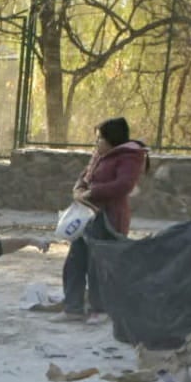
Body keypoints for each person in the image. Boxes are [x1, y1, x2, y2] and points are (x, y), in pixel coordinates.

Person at [64, 117, 150, 321]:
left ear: (113, 139)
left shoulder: (129, 157)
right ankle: (72, 308)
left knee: (99, 265)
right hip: (86, 216)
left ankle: (100, 309)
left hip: (108, 218)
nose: (96, 143)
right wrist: (79, 189)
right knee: (75, 260)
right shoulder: (100, 155)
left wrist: (92, 192)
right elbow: (85, 175)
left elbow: (124, 185)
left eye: (100, 139)